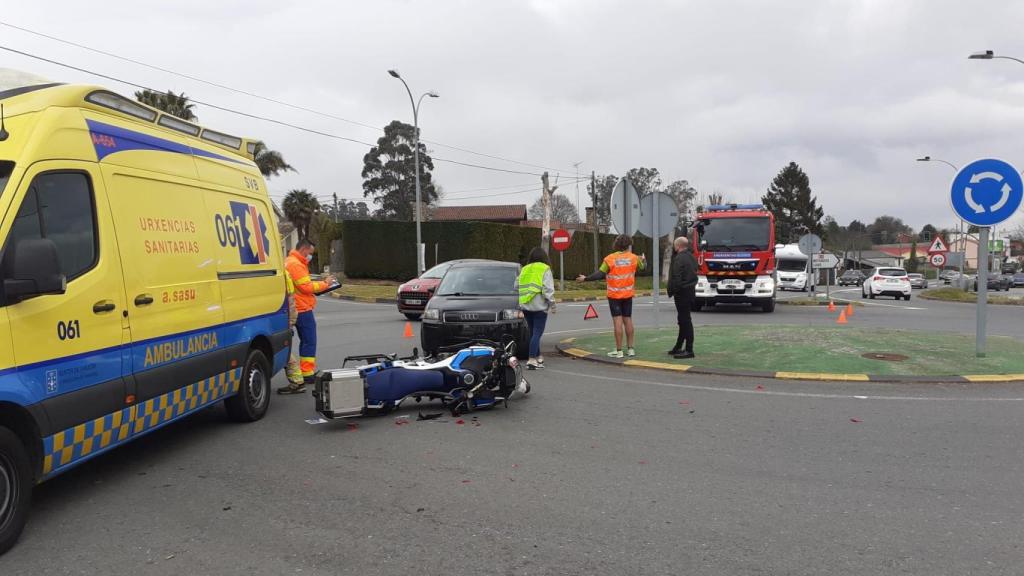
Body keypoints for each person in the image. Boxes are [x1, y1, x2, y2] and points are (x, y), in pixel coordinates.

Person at [278, 239, 336, 394]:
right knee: (309, 341)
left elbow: (302, 283)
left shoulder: (290, 261)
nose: (310, 256)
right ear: (304, 249)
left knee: (300, 341)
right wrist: (326, 284)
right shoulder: (296, 264)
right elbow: (306, 287)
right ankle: (306, 374)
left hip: (294, 307)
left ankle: (303, 375)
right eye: (310, 253)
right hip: (301, 308)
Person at [576, 234, 646, 358]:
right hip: (628, 294)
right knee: (628, 320)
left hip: (614, 295)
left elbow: (600, 274)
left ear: (616, 244)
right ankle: (630, 349)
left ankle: (619, 351)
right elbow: (643, 268)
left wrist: (585, 278)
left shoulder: (610, 259)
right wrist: (644, 260)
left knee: (617, 322)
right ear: (629, 244)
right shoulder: (634, 258)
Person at [518, 247, 556, 370]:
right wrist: (552, 304)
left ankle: (539, 357)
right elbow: (548, 289)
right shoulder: (545, 269)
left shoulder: (524, 269)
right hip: (539, 306)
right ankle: (532, 359)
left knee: (533, 332)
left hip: (526, 306)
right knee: (537, 333)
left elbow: (516, 285)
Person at [666, 236, 698, 359]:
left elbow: (677, 278)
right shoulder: (691, 257)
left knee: (685, 321)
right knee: (683, 320)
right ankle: (678, 346)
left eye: (675, 246)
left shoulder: (679, 258)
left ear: (678, 246)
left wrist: (673, 290)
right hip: (690, 291)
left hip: (682, 293)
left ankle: (689, 350)